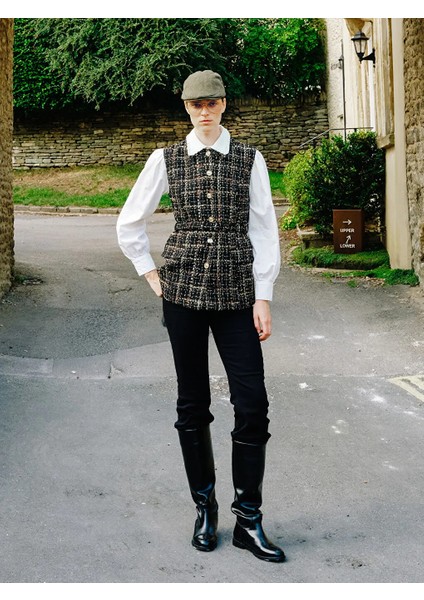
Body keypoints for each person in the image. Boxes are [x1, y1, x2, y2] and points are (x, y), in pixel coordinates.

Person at [116, 70, 285, 563]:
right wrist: (151, 274)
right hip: (183, 294)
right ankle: (205, 509)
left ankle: (248, 519)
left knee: (252, 402)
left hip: (237, 296)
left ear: (224, 104)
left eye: (212, 103)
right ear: (186, 108)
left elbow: (264, 229)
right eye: (196, 104)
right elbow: (129, 221)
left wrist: (263, 295)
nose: (204, 111)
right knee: (192, 404)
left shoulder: (249, 158)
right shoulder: (165, 159)